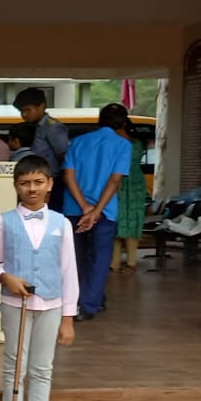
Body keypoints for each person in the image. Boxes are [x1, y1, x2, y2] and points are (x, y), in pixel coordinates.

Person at [0, 154, 78, 401]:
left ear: (50, 184)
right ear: (16, 186)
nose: (32, 188)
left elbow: (69, 271)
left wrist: (68, 318)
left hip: (51, 305)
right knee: (15, 368)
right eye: (25, 183)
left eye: (38, 182)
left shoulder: (61, 223)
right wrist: (5, 277)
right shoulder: (5, 221)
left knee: (42, 369)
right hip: (16, 305)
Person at [62, 104, 132, 322]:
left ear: (99, 119)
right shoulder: (123, 145)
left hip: (74, 208)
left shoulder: (78, 142)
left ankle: (78, 301)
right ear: (123, 123)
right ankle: (88, 305)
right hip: (105, 211)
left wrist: (84, 207)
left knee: (77, 257)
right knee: (100, 258)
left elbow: (68, 175)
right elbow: (115, 179)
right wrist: (96, 211)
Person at [13, 88, 70, 211]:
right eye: (21, 111)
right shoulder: (35, 127)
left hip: (52, 184)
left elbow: (64, 157)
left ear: (42, 106)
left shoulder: (52, 127)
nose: (24, 115)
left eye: (28, 110)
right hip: (35, 182)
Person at [112, 125, 147, 273]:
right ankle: (115, 262)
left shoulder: (133, 145)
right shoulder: (128, 144)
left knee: (130, 224)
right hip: (121, 185)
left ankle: (131, 263)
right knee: (116, 224)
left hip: (130, 186)